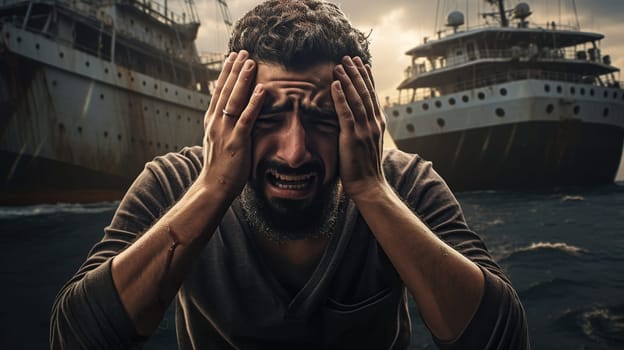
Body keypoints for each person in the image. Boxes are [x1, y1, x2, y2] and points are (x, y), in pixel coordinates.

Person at [50, 1, 529, 349]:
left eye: (323, 120)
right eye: (267, 118)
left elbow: (503, 338)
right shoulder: (174, 185)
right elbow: (75, 336)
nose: (295, 153)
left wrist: (371, 190)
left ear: (359, 117)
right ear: (228, 112)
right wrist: (213, 188)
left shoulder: (405, 186)